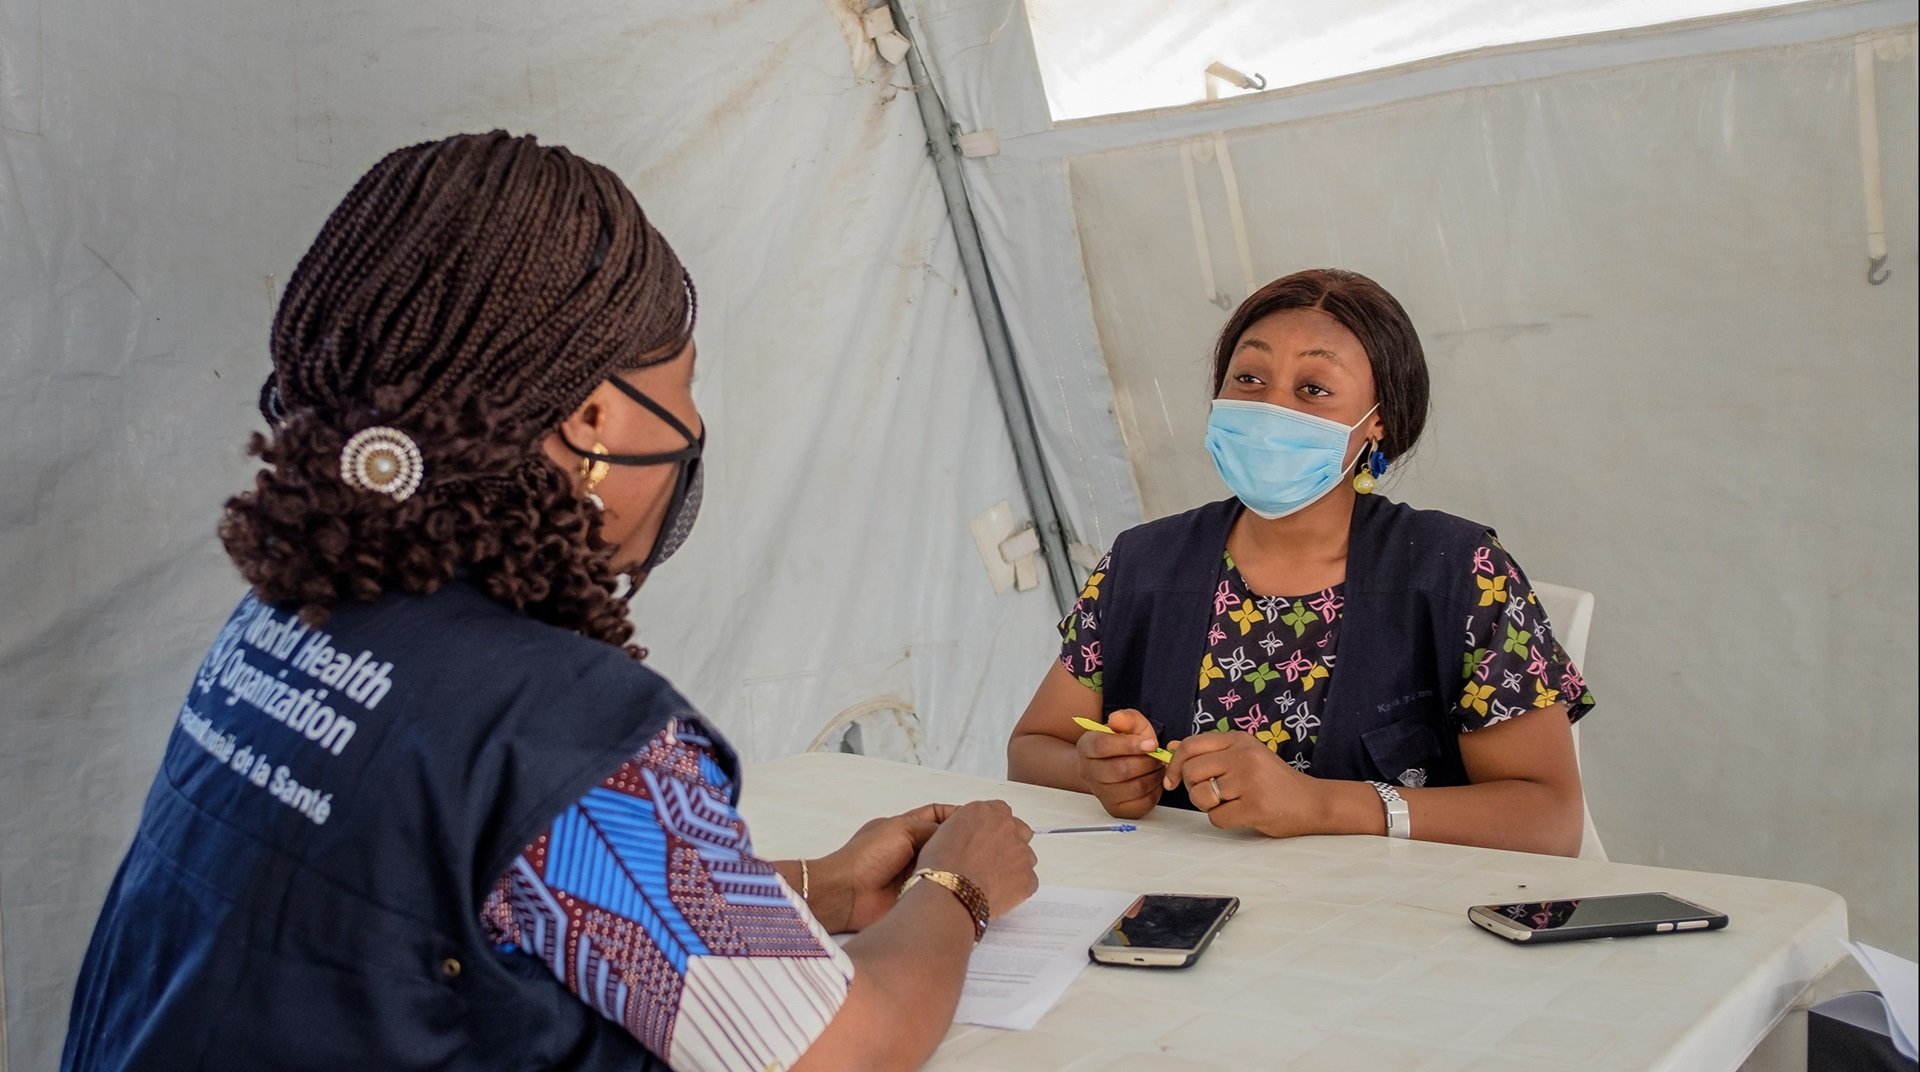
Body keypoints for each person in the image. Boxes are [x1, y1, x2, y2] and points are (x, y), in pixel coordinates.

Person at [62, 131, 1037, 1072]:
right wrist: (956, 887)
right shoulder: (557, 725)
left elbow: (486, 901)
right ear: (594, 418)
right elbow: (846, 1049)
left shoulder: (291, 620)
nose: (692, 423)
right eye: (685, 384)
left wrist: (821, 886)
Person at [1007, 268, 1593, 857]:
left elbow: (1548, 820)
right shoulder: (1143, 564)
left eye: (1313, 389)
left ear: (1379, 421)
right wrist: (1099, 772)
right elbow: (1032, 748)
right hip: (1181, 900)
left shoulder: (1460, 573)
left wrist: (1321, 805)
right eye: (1249, 378)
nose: (1271, 408)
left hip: (1393, 909)